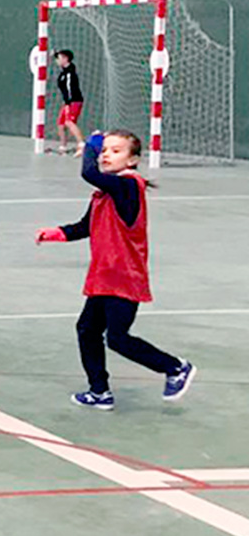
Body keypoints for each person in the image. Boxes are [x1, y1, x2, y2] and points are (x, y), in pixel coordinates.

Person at [36, 130, 195, 408]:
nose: (106, 154)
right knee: (87, 329)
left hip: (124, 277)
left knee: (118, 338)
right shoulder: (105, 192)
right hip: (103, 276)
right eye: (105, 149)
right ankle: (99, 391)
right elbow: (86, 226)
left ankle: (175, 368)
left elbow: (89, 173)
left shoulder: (129, 186)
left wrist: (91, 146)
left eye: (115, 150)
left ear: (132, 160)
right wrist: (56, 233)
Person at [53, 49, 87, 156]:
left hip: (74, 101)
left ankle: (82, 145)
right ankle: (63, 146)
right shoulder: (64, 72)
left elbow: (70, 89)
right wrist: (54, 54)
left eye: (59, 58)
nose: (57, 60)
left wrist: (69, 102)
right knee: (61, 123)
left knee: (69, 122)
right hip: (67, 102)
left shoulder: (70, 73)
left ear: (65, 59)